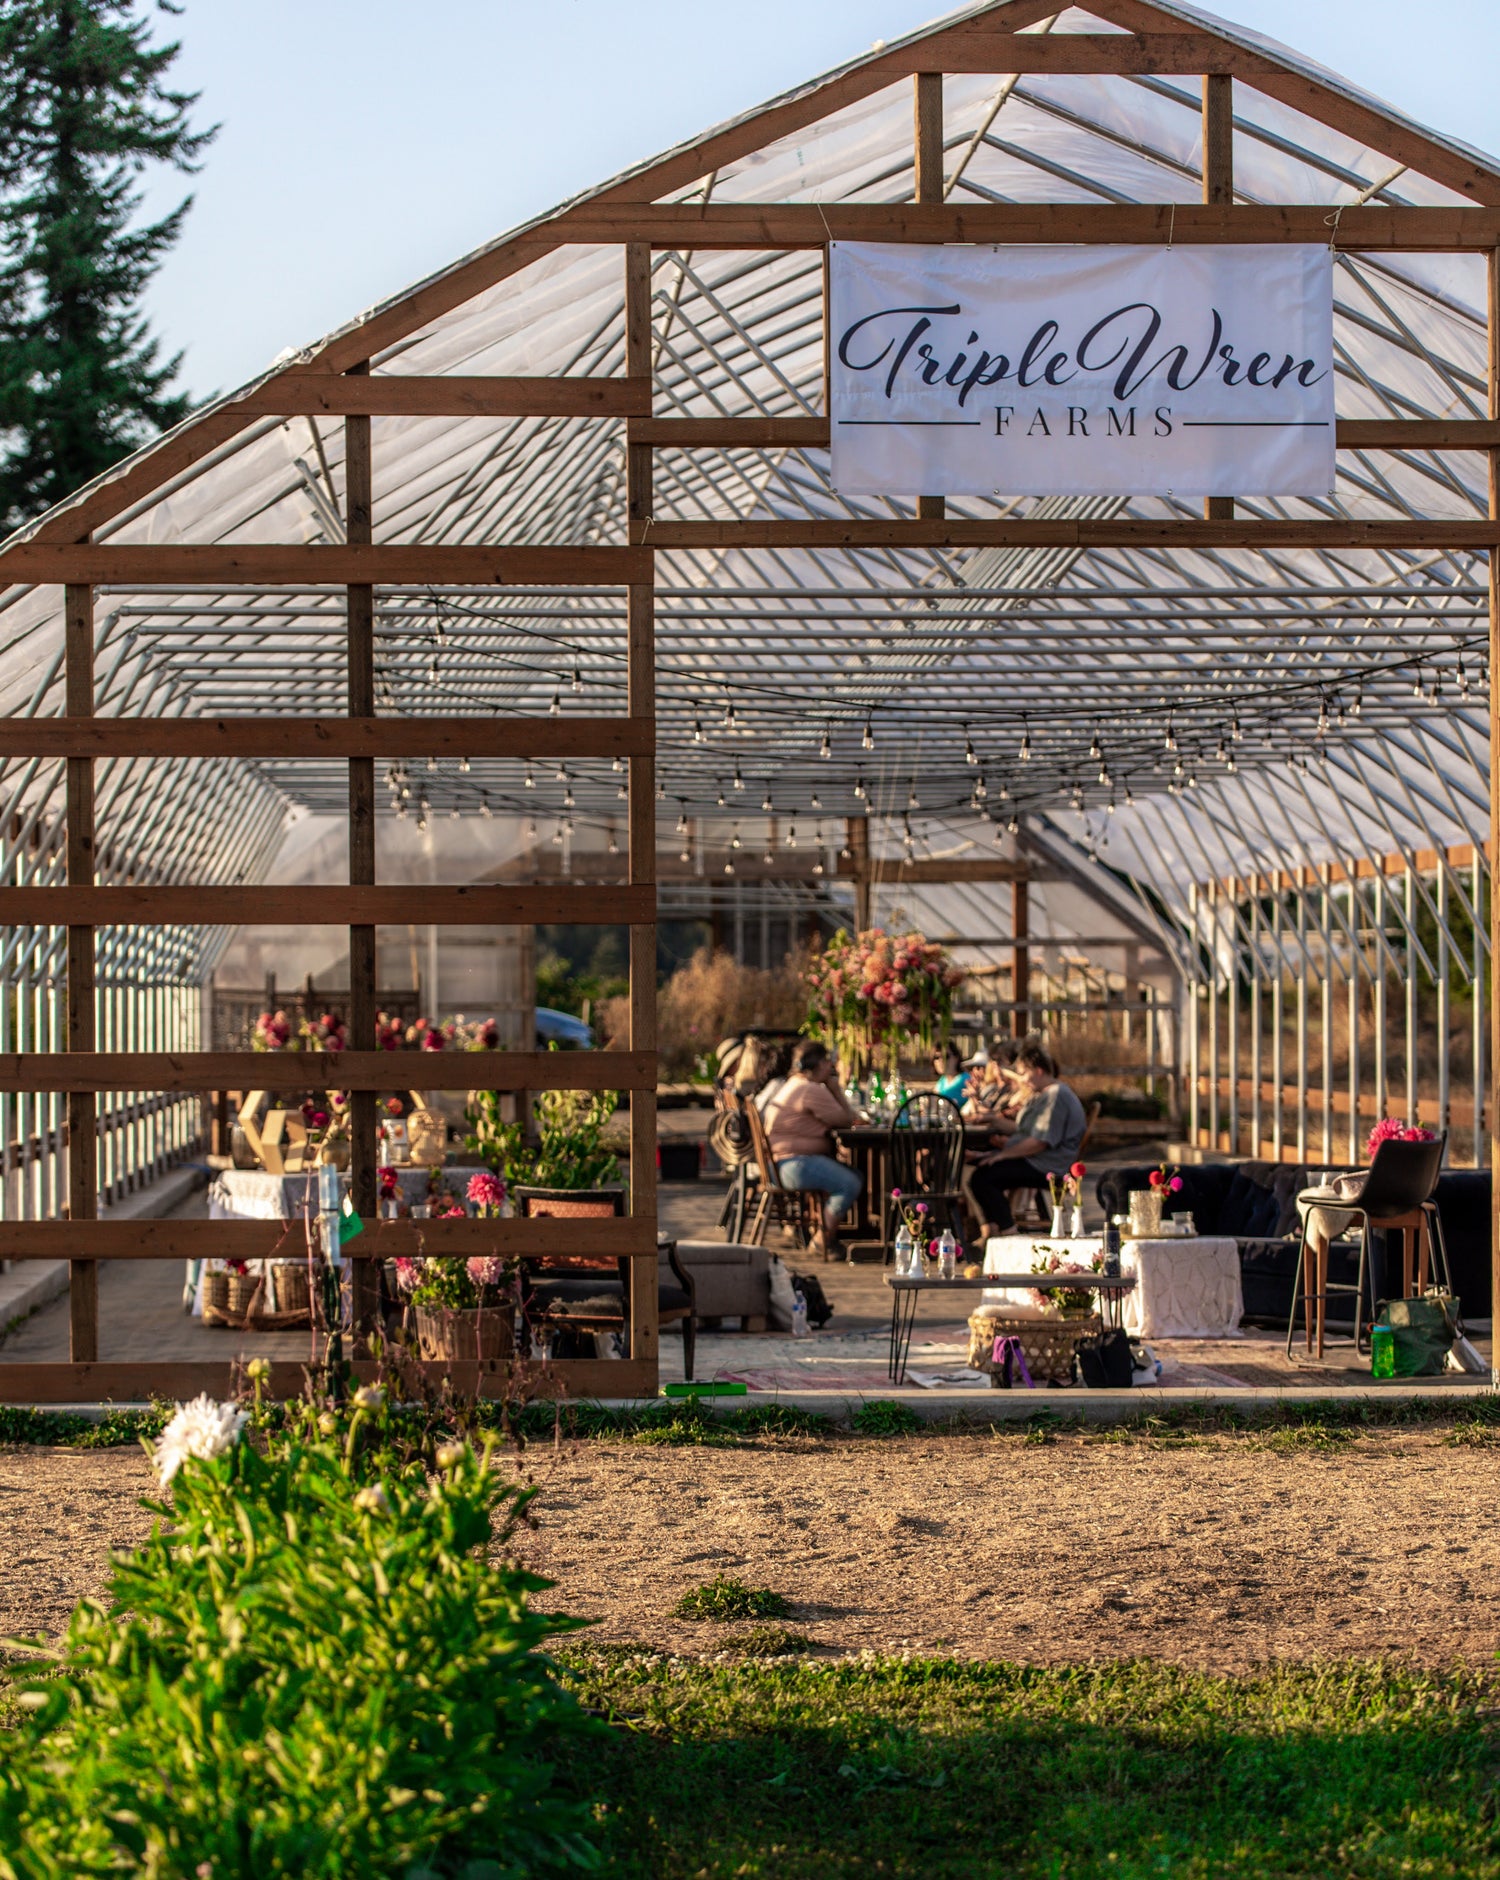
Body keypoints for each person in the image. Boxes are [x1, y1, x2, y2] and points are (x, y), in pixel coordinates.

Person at [967, 1043, 1087, 1237]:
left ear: (1038, 1071)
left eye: (1024, 1073)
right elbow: (1021, 1129)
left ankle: (1007, 1232)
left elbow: (1039, 1142)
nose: (1021, 1079)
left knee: (984, 1177)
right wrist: (993, 1120)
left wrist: (1003, 1155)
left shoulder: (1056, 1096)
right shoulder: (1043, 1095)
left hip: (1048, 1166)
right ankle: (991, 1230)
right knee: (978, 1168)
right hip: (1036, 1159)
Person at [760, 1038, 863, 1257]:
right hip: (792, 1165)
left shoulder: (793, 1083)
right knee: (850, 1182)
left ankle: (825, 1233)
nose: (831, 1067)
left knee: (851, 1174)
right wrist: (835, 1089)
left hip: (779, 1164)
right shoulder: (810, 1089)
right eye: (828, 1061)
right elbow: (846, 1119)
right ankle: (821, 1241)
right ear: (818, 1065)